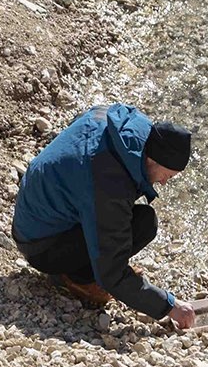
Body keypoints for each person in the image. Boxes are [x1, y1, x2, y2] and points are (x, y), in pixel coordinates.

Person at [11, 102, 197, 329]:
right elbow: (112, 275)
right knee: (144, 224)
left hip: (32, 215)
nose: (164, 182)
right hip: (40, 247)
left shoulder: (120, 124)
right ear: (152, 160)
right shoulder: (109, 184)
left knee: (124, 222)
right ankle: (77, 278)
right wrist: (169, 306)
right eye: (167, 175)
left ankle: (86, 265)